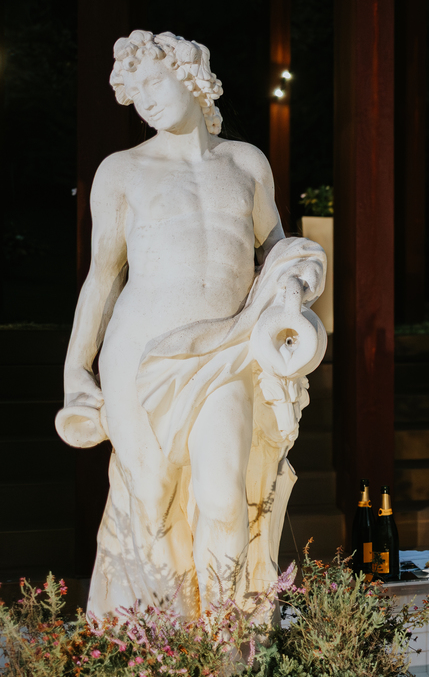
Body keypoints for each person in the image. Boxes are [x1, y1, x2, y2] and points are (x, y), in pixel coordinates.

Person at [58, 30, 326, 618]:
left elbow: (276, 250)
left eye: (156, 82)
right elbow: (102, 278)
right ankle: (162, 647)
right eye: (137, 92)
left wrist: (295, 279)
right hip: (139, 353)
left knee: (224, 497)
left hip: (225, 349)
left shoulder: (246, 162)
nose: (148, 100)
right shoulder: (122, 171)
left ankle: (230, 644)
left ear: (191, 78)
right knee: (151, 503)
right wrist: (76, 367)